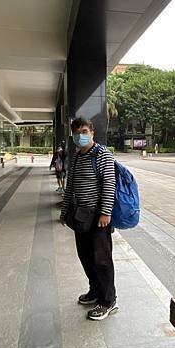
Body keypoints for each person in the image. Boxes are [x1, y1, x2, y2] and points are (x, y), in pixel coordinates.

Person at [60, 117, 118, 321]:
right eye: (77, 132)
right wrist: (64, 211)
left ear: (92, 133)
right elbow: (70, 186)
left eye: (84, 131)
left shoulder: (102, 154)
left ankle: (108, 300)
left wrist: (105, 213)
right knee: (85, 256)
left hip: (98, 216)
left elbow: (109, 185)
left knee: (102, 260)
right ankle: (95, 291)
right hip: (80, 216)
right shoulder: (75, 156)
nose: (81, 136)